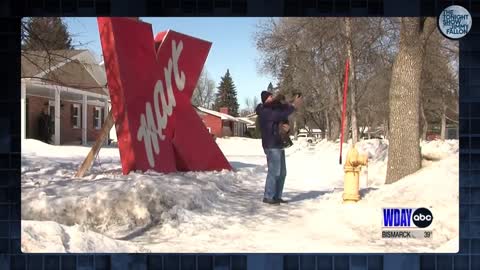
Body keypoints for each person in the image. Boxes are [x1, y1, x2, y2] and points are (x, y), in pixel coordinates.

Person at [255, 91, 303, 205]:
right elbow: (280, 115)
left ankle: (277, 196)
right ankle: (268, 196)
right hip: (271, 145)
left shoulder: (273, 109)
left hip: (278, 144)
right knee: (274, 172)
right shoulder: (265, 111)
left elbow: (282, 116)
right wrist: (293, 106)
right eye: (270, 96)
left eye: (272, 96)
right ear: (265, 99)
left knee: (282, 173)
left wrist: (287, 129)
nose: (272, 97)